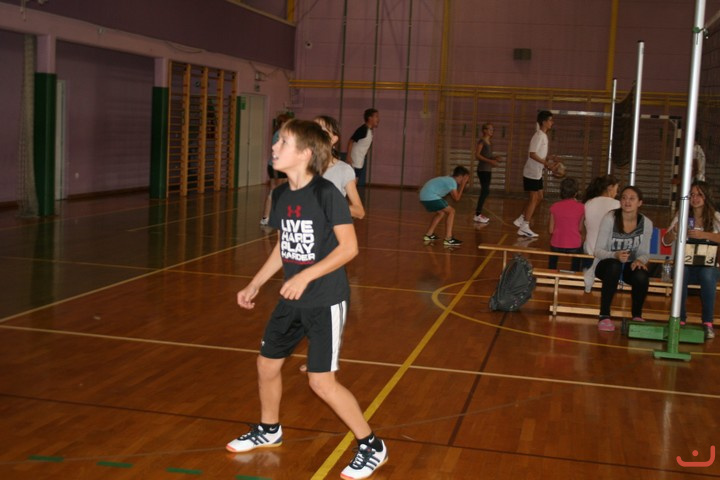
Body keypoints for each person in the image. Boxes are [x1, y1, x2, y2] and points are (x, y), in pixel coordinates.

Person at [227, 119, 388, 480]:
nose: (274, 147)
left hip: (325, 300)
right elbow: (284, 245)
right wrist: (255, 283)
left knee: (320, 382)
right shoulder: (282, 195)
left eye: (282, 142)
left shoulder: (326, 193)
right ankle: (269, 429)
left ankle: (371, 445)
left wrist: (305, 275)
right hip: (291, 298)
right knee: (267, 365)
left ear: (304, 153)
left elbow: (349, 248)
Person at [584, 186, 652, 331]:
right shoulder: (610, 218)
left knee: (641, 275)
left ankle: (637, 315)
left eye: (632, 198)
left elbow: (645, 252)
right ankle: (604, 315)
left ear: (640, 203)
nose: (627, 201)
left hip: (629, 266)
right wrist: (614, 255)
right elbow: (598, 251)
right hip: (606, 264)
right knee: (614, 266)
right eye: (624, 198)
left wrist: (640, 260)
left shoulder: (646, 223)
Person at [661, 181, 719, 339]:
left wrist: (704, 235)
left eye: (699, 194)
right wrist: (675, 230)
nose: (695, 198)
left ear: (706, 197)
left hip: (707, 265)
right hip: (686, 264)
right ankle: (679, 319)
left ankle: (707, 322)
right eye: (692, 195)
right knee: (681, 272)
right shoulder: (682, 214)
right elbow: (665, 241)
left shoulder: (715, 217)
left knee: (708, 275)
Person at [514, 110, 559, 237]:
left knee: (539, 197)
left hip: (537, 172)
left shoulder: (543, 136)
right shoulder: (538, 135)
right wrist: (546, 163)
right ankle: (524, 226)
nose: (552, 122)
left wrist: (549, 158)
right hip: (531, 172)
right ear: (544, 122)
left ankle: (521, 218)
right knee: (534, 198)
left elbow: (539, 154)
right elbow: (532, 154)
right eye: (550, 120)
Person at [315, 115, 365, 219]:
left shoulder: (343, 170)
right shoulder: (302, 167)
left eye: (322, 130)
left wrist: (329, 207)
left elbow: (359, 211)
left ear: (334, 139)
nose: (315, 133)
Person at [419, 166, 470, 246]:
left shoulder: (449, 179)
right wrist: (463, 184)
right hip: (430, 196)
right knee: (451, 211)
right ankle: (448, 238)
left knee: (441, 213)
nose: (467, 181)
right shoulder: (452, 182)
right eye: (465, 178)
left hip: (424, 196)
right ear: (460, 176)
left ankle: (429, 234)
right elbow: (457, 198)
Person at [261, 113, 291, 226]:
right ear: (281, 123)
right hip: (276, 166)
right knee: (274, 190)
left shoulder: (286, 134)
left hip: (283, 166)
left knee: (283, 190)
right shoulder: (279, 134)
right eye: (285, 122)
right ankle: (266, 217)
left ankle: (276, 215)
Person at [548, 177, 585, 271]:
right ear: (576, 193)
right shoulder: (581, 207)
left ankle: (551, 274)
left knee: (552, 262)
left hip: (557, 243)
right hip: (574, 245)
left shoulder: (554, 206)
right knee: (577, 262)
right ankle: (574, 275)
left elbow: (551, 230)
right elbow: (580, 229)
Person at [583, 174, 621, 259]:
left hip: (589, 250)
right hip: (608, 252)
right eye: (616, 189)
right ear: (610, 187)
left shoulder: (588, 203)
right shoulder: (618, 204)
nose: (616, 193)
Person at [473, 123, 504, 224]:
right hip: (482, 170)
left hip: (487, 170)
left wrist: (495, 158)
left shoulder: (489, 142)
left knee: (485, 191)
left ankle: (478, 214)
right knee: (485, 191)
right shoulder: (482, 141)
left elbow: (487, 156)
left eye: (493, 129)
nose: (492, 131)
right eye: (490, 129)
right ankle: (477, 214)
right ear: (484, 130)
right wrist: (490, 161)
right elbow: (477, 155)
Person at [347, 108, 380, 187]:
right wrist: (348, 156)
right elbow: (351, 141)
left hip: (360, 158)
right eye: (376, 116)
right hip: (355, 159)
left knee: (354, 180)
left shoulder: (369, 130)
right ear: (370, 118)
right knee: (353, 181)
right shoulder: (363, 129)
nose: (378, 119)